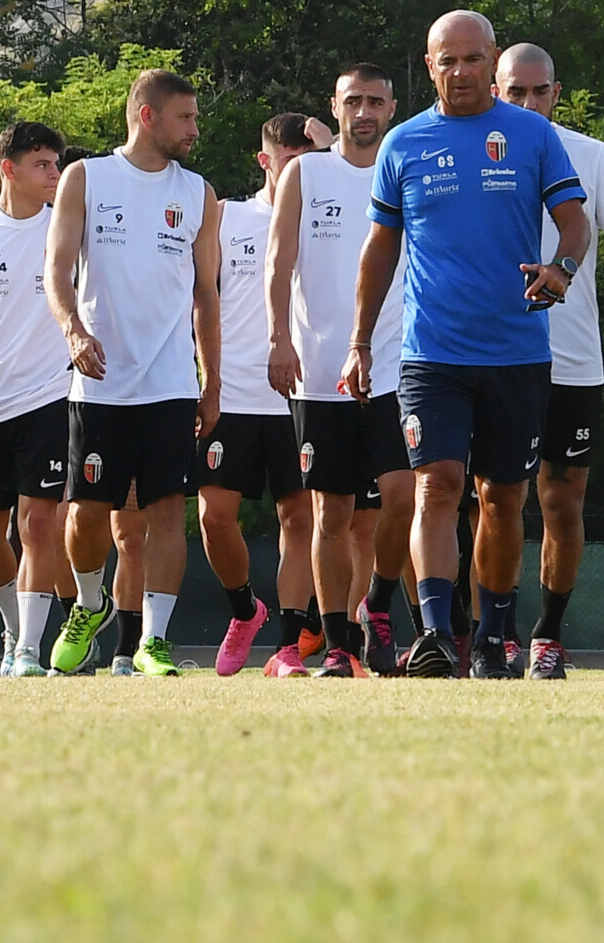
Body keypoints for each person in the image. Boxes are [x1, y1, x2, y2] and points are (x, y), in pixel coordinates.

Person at [350, 10, 588, 679]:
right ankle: (434, 633)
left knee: (503, 497)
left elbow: (575, 223)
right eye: (444, 60)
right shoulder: (403, 144)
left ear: (492, 61)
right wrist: (359, 341)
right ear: (428, 67)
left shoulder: (533, 136)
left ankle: (491, 635)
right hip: (432, 353)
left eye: (471, 59)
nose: (458, 72)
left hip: (516, 350)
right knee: (438, 485)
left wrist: (561, 270)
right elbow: (380, 250)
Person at [44, 69, 222, 678]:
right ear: (147, 116)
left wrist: (211, 379)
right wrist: (74, 331)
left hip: (172, 383)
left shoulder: (199, 193)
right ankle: (90, 604)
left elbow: (206, 295)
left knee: (167, 513)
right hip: (99, 385)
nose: (195, 129)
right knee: (86, 514)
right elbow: (57, 270)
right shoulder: (86, 177)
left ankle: (154, 640)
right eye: (185, 118)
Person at [494, 43, 604, 679]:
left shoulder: (589, 155)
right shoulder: (474, 151)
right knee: (493, 499)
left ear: (556, 93)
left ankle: (546, 638)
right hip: (493, 357)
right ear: (496, 88)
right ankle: (493, 634)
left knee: (561, 502)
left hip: (574, 360)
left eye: (539, 92)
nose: (528, 103)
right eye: (515, 93)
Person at [271, 63, 414, 680]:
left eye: (375, 102)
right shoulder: (305, 172)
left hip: (400, 368)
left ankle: (377, 608)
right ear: (334, 107)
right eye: (353, 100)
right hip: (321, 369)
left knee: (403, 498)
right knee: (330, 515)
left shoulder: (407, 167)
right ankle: (339, 644)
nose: (363, 111)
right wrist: (278, 338)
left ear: (391, 108)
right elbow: (279, 262)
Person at [0, 120, 79, 679]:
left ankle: (31, 650)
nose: (55, 174)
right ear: (9, 169)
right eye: (43, 164)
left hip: (55, 396)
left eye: (57, 164)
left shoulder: (69, 228)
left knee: (37, 525)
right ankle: (14, 630)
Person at [205, 113, 317, 676]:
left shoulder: (327, 212)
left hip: (303, 395)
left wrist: (328, 142)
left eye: (309, 159)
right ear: (265, 161)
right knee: (215, 516)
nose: (300, 171)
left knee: (301, 519)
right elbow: (197, 299)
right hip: (235, 393)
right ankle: (243, 609)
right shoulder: (227, 217)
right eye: (288, 160)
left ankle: (289, 647)